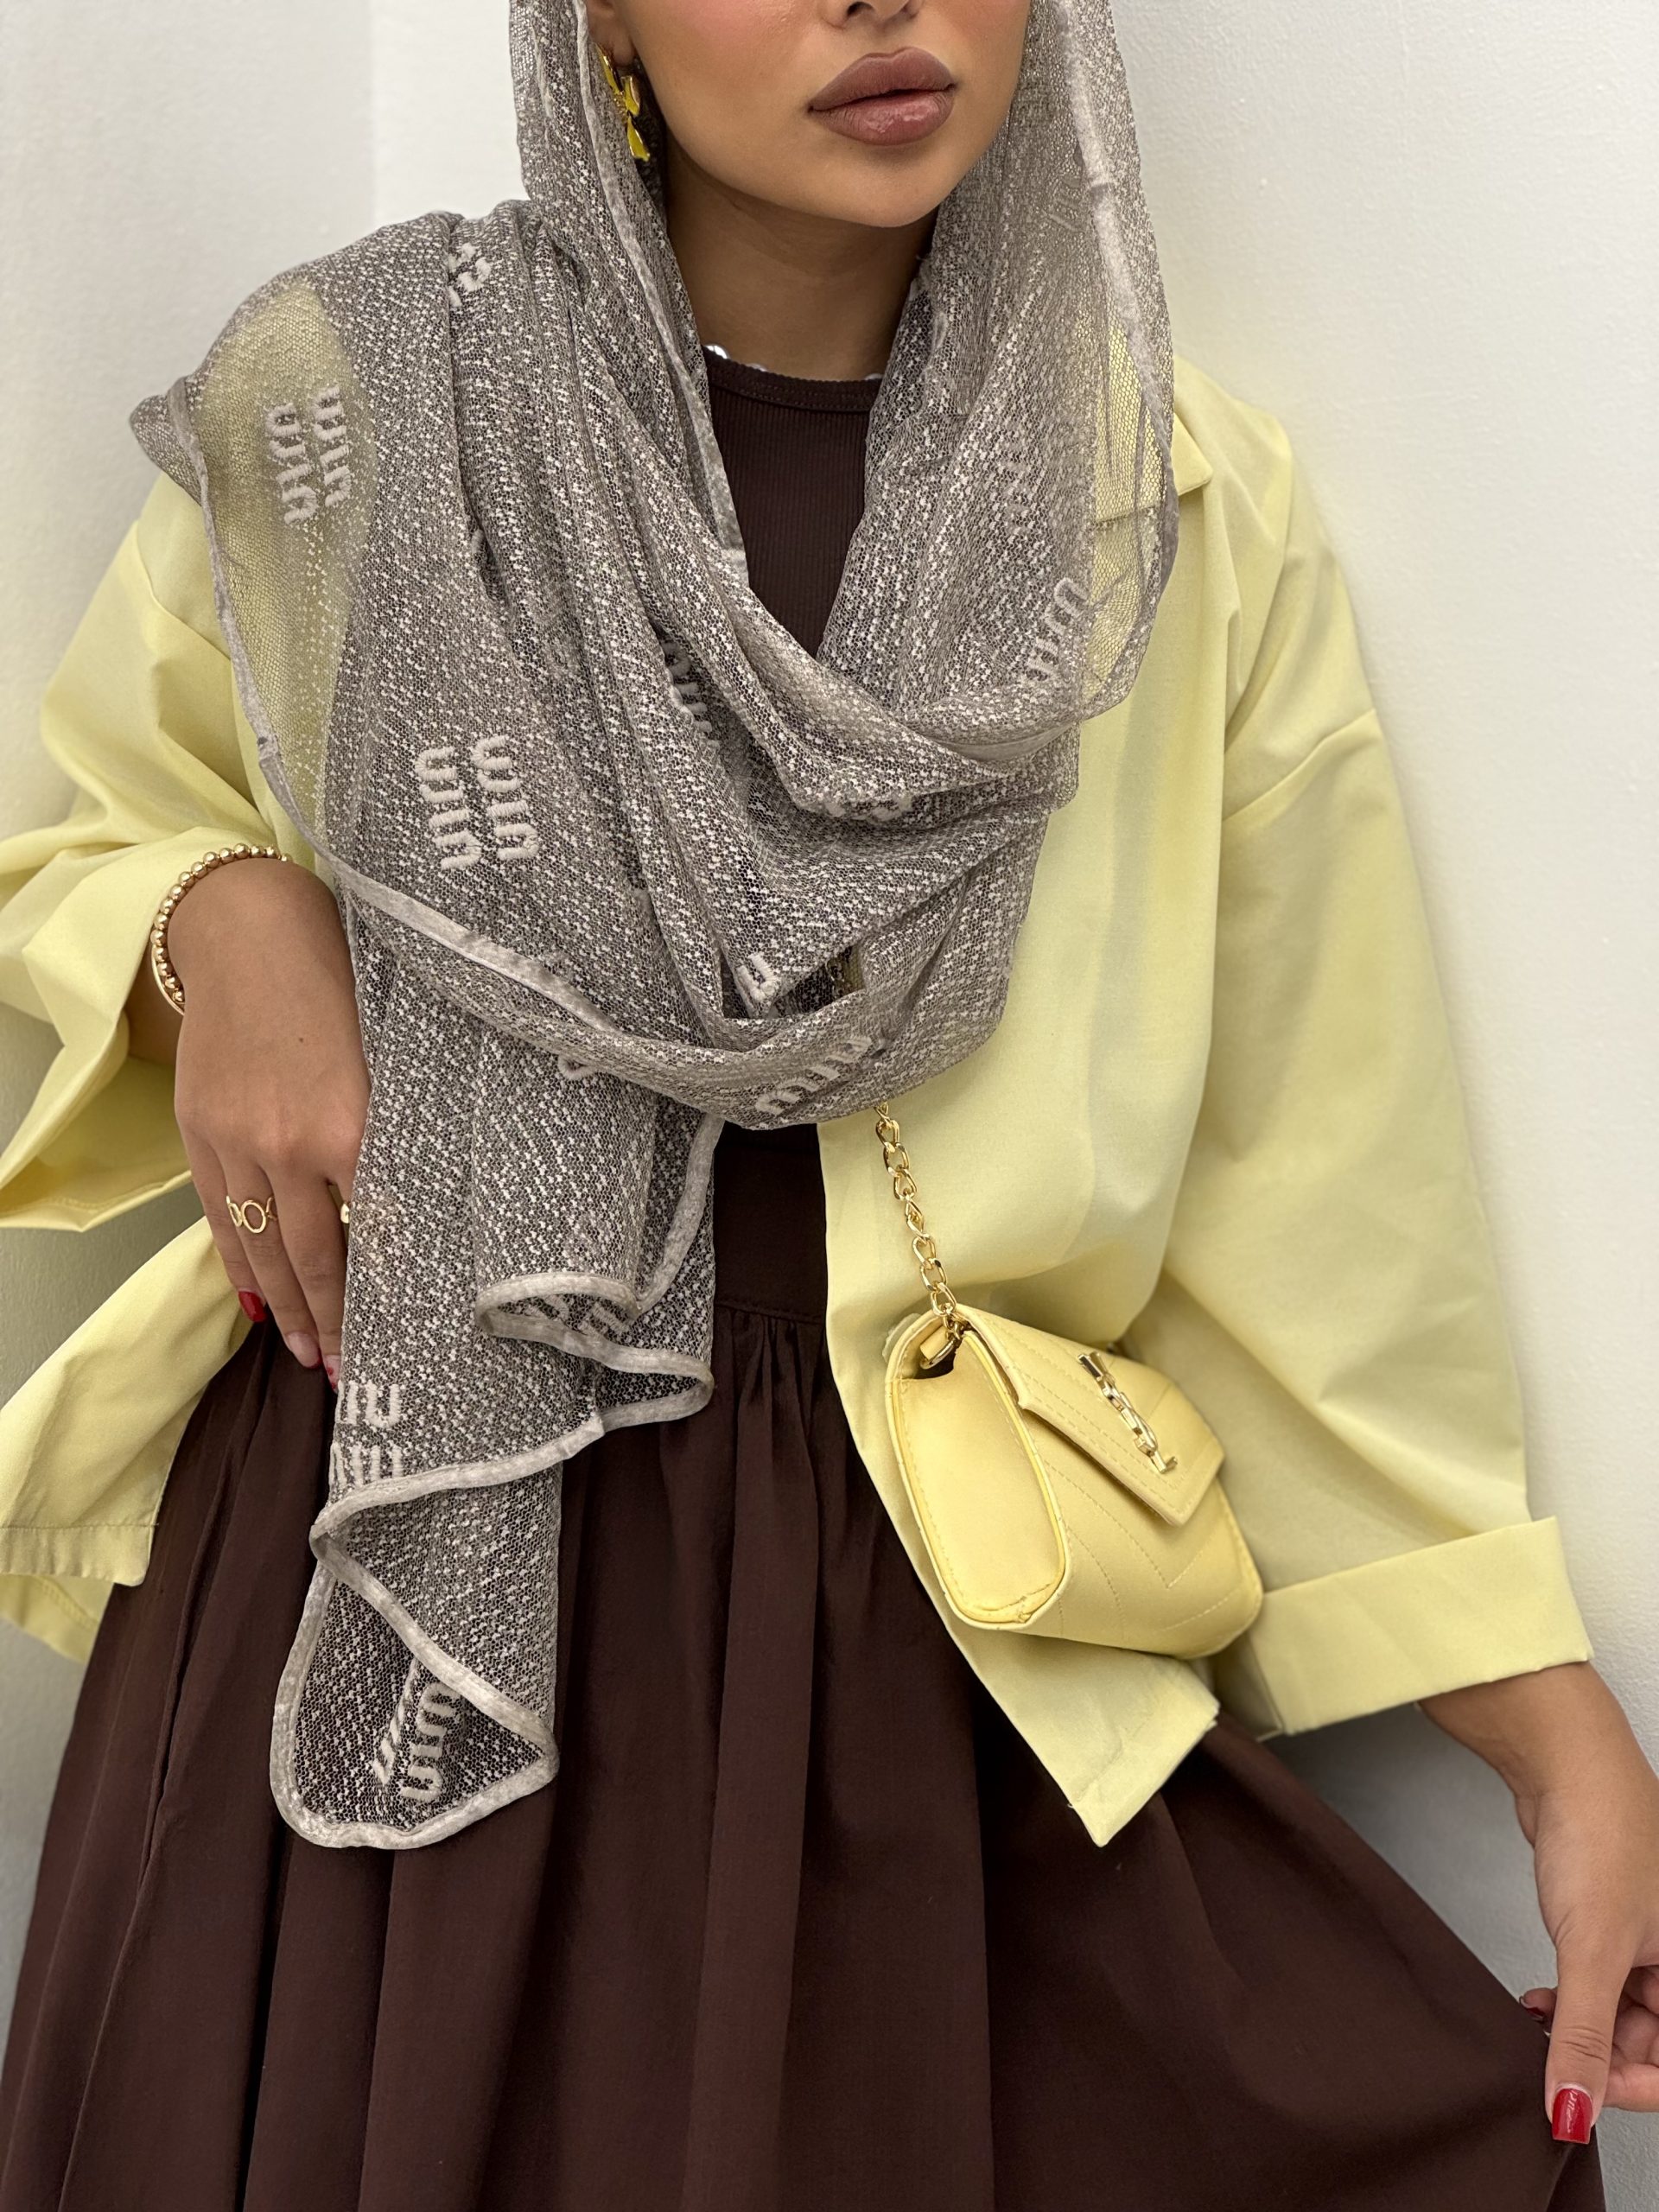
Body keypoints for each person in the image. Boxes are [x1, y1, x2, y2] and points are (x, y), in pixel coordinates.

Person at [0, 1, 1653, 2204]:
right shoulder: (370, 413)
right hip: (407, 1543)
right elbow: (93, 835)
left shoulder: (1160, 511)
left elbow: (1321, 1188)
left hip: (900, 1611)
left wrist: (1546, 1732)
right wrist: (220, 920)